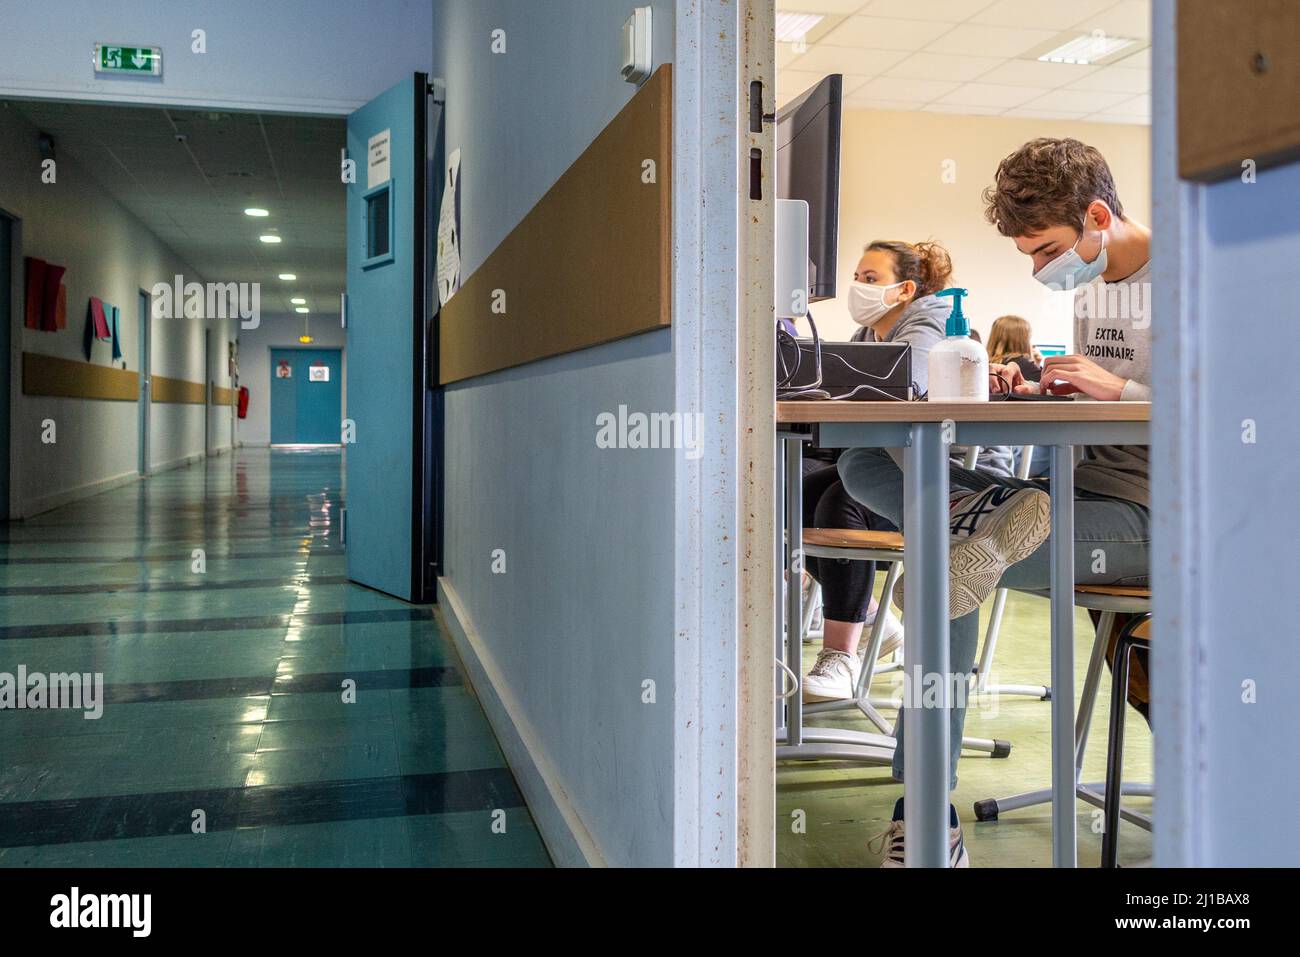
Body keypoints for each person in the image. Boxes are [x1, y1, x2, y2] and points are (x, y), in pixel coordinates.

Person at [839, 138, 1152, 866]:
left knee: (944, 560)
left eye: (1045, 251)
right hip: (1069, 493)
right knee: (864, 458)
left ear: (1098, 216)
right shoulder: (1099, 284)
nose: (1041, 271)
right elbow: (1095, 401)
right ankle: (961, 520)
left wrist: (1121, 393)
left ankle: (921, 814)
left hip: (1157, 521)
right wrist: (1045, 387)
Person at [801, 240, 1013, 703]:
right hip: (893, 459)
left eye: (870, 278)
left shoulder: (931, 322)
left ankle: (841, 656)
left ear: (905, 289)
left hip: (955, 473)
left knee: (842, 501)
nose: (858, 287)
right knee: (794, 492)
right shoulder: (869, 337)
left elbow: (899, 390)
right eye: (857, 276)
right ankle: (873, 616)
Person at [987, 314, 1042, 383]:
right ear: (1024, 340)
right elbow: (1048, 388)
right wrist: (1036, 367)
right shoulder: (1024, 364)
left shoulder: (986, 364)